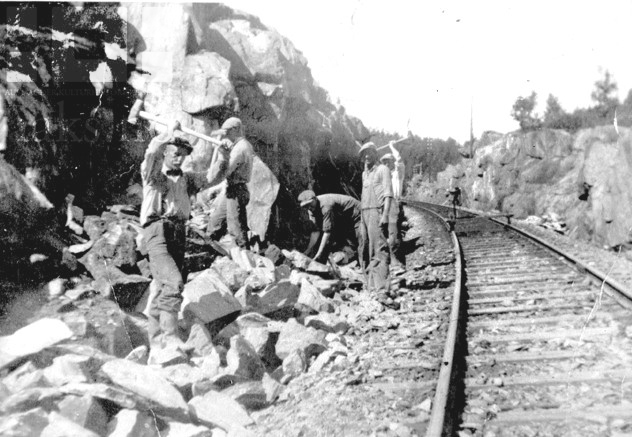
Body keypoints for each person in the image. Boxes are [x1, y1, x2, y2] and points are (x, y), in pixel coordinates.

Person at [140, 120, 217, 352]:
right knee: (174, 282)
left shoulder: (186, 179)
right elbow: (152, 152)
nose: (179, 158)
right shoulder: (153, 175)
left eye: (183, 155)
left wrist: (223, 152)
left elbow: (214, 176)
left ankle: (154, 342)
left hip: (178, 233)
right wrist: (167, 133)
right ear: (166, 153)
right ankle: (170, 338)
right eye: (175, 153)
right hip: (157, 230)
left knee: (162, 286)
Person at [206, 117, 254, 249]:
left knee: (236, 228)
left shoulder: (240, 148)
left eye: (227, 132)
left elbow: (225, 171)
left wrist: (222, 155)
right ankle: (210, 248)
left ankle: (244, 257)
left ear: (235, 130)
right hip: (231, 189)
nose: (224, 135)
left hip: (237, 191)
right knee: (215, 221)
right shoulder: (238, 145)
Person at [358, 141, 393, 298]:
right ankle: (370, 285)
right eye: (364, 154)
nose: (367, 156)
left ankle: (382, 289)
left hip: (376, 212)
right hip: (364, 213)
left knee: (379, 249)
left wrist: (385, 214)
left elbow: (388, 194)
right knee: (365, 248)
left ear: (375, 154)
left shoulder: (382, 169)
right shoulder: (364, 174)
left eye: (370, 152)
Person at [298, 190, 362, 264]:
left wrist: (318, 254)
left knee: (361, 240)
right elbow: (316, 231)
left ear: (315, 199)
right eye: (305, 206)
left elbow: (327, 232)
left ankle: (363, 265)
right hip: (341, 217)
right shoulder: (311, 210)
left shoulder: (326, 206)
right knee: (340, 239)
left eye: (310, 204)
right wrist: (307, 251)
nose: (309, 207)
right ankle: (351, 255)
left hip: (356, 213)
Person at [380, 144, 406, 270]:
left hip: (394, 203)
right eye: (384, 162)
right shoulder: (381, 176)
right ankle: (389, 259)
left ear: (392, 163)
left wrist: (392, 146)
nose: (386, 165)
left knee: (394, 233)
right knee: (385, 233)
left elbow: (399, 160)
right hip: (383, 204)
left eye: (388, 162)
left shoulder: (397, 173)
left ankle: (397, 260)